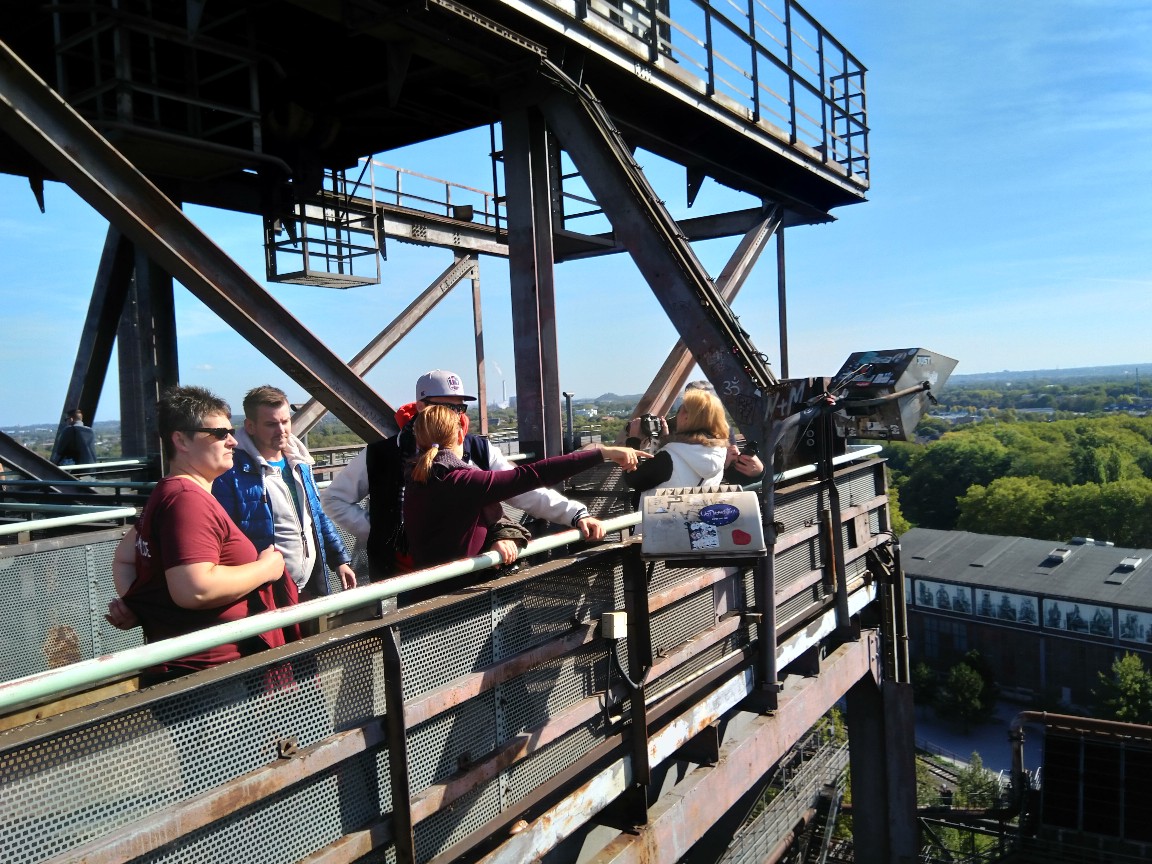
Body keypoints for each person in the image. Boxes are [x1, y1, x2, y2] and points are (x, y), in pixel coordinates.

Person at [322, 369, 613, 581]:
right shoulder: (381, 455)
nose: (458, 414)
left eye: (461, 406)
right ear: (421, 407)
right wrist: (383, 535)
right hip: (398, 581)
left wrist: (575, 514)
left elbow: (523, 488)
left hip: (466, 576)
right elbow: (334, 499)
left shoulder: (478, 448)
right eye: (448, 406)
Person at [106, 385, 298, 685]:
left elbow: (125, 559)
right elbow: (195, 589)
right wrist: (265, 569)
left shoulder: (167, 492)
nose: (232, 441)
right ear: (181, 440)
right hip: (213, 678)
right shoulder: (187, 500)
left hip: (188, 669)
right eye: (220, 434)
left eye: (230, 432)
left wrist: (139, 606)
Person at [402, 404, 644, 582]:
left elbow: (454, 527)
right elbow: (531, 476)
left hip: (426, 590)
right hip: (454, 599)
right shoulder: (458, 480)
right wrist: (602, 453)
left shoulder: (419, 477)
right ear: (459, 435)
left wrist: (495, 538)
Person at [212, 385, 356, 600]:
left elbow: (316, 515)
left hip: (308, 584)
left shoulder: (299, 462)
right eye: (271, 424)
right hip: (266, 592)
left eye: (285, 421)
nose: (281, 430)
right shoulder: (231, 474)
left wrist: (339, 560)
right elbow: (225, 538)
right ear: (250, 426)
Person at [622, 387, 731, 504]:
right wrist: (664, 440)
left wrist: (633, 440)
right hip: (696, 517)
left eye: (680, 410)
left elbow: (633, 479)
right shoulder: (720, 451)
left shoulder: (668, 458)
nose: (676, 416)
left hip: (660, 520)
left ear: (686, 417)